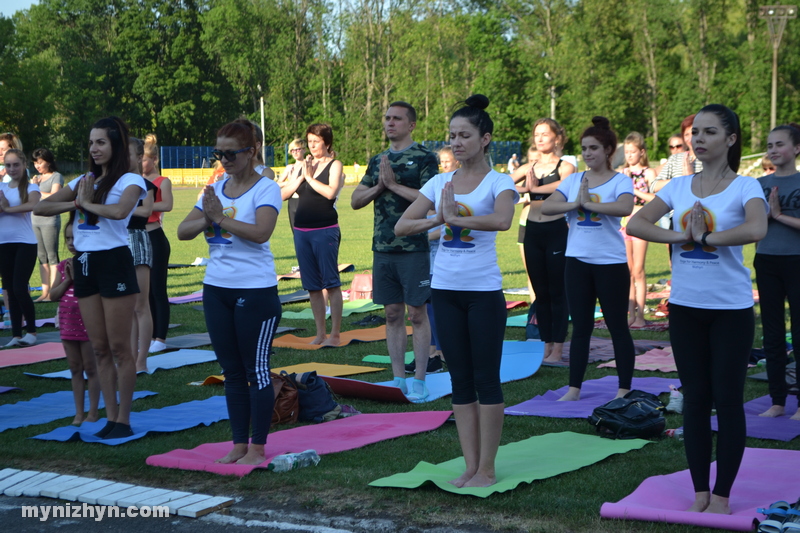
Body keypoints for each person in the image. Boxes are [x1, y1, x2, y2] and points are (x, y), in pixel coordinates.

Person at [627, 105, 767, 514]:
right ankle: (700, 492)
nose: (698, 139)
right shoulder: (678, 188)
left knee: (726, 398)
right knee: (695, 400)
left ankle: (722, 496)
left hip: (730, 311)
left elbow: (757, 229)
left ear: (731, 139)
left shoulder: (746, 188)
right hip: (686, 309)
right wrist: (676, 235)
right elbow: (637, 224)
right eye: (695, 133)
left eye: (709, 132)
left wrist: (707, 238)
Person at [396, 94, 518, 487]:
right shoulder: (439, 181)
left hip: (482, 292)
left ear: (485, 139)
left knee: (486, 379)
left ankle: (488, 467)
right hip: (445, 291)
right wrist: (438, 217)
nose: (456, 142)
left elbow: (502, 221)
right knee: (460, 380)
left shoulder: (500, 181)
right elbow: (402, 226)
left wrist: (452, 217)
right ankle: (469, 464)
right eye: (452, 136)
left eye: (464, 135)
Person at [34, 116, 146, 440]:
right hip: (84, 263)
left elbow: (121, 212)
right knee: (98, 348)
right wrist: (76, 199)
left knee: (119, 347)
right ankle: (110, 419)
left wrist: (85, 202)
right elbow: (42, 209)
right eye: (91, 143)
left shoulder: (129, 180)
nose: (94, 148)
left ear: (115, 145)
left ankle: (123, 420)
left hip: (114, 261)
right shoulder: (84, 179)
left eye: (101, 142)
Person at [177, 120, 282, 465]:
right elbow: (183, 231)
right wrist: (209, 218)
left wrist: (219, 219)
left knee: (257, 371)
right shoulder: (215, 189)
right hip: (216, 290)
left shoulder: (265, 188)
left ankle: (257, 447)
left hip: (255, 292)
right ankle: (238, 443)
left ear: (251, 152)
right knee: (232, 372)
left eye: (230, 153)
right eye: (218, 153)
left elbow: (261, 232)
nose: (223, 159)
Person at [541, 117, 635, 401]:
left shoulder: (621, 180)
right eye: (584, 148)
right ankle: (574, 388)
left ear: (608, 150)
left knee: (617, 325)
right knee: (580, 327)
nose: (587, 153)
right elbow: (547, 206)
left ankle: (624, 387)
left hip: (611, 264)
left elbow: (625, 206)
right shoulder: (573, 181)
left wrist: (589, 204)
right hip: (577, 263)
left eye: (593, 148)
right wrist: (575, 203)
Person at [351, 101, 439, 402]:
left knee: (417, 313)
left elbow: (431, 199)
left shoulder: (426, 157)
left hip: (414, 247)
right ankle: (398, 377)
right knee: (391, 313)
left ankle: (420, 379)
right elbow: (355, 199)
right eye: (387, 118)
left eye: (397, 119)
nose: (390, 123)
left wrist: (392, 185)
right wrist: (379, 187)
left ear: (411, 124)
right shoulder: (378, 159)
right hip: (383, 248)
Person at [514, 118, 576, 364]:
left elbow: (566, 184)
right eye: (536, 134)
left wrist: (533, 189)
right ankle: (546, 345)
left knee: (557, 292)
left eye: (545, 134)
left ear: (556, 138)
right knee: (541, 293)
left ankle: (558, 350)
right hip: (532, 232)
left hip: (556, 230)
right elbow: (503, 183)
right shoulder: (529, 166)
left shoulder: (565, 166)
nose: (539, 138)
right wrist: (525, 190)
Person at [279, 124, 344, 346]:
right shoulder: (303, 166)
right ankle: (320, 333)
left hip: (325, 229)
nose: (312, 146)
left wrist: (310, 177)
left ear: (326, 142)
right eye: (309, 141)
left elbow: (330, 192)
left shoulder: (335, 165)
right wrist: (301, 177)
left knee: (331, 283)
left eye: (316, 141)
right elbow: (284, 194)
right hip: (301, 231)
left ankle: (335, 335)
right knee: (313, 286)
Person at [754, 123, 800, 420]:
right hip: (766, 260)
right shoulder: (758, 184)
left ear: (796, 148)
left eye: (779, 144)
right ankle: (778, 400)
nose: (773, 150)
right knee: (771, 335)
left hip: (796, 260)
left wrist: (779, 215)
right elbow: (748, 222)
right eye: (770, 145)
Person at [49, 215, 100, 426]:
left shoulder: (92, 264)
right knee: (75, 368)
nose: (71, 243)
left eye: (75, 238)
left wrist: (79, 277)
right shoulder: (63, 266)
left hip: (88, 324)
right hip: (68, 324)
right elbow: (53, 295)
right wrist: (69, 279)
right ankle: (79, 412)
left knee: (91, 368)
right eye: (68, 239)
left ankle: (93, 412)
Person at [0, 149, 41, 347]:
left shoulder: (31, 188)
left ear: (24, 165)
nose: (12, 168)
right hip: (3, 244)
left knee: (19, 287)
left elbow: (32, 205)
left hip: (25, 243)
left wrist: (7, 208)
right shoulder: (2, 187)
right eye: (8, 165)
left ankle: (31, 332)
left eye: (16, 164)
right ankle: (16, 335)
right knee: (9, 288)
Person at [620, 132, 656, 328]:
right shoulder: (622, 172)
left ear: (641, 152)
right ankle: (630, 314)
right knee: (628, 271)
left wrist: (632, 189)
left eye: (633, 152)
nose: (629, 156)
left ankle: (641, 314)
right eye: (626, 152)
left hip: (641, 219)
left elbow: (656, 199)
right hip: (624, 222)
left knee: (638, 270)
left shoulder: (648, 173)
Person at [127, 137, 156, 371]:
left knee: (140, 305)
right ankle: (129, 356)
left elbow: (146, 210)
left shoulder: (143, 184)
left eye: (126, 154)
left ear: (138, 157)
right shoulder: (114, 183)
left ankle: (141, 360)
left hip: (136, 240)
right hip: (114, 244)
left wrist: (117, 205)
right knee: (125, 306)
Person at [142, 134, 173, 353]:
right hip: (137, 239)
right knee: (143, 292)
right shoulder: (133, 180)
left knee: (157, 290)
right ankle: (149, 334)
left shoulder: (162, 181)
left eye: (144, 159)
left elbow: (168, 204)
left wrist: (146, 205)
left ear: (154, 160)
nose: (140, 163)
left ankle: (160, 338)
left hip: (155, 238)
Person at [31, 148, 64, 302]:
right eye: (35, 163)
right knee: (41, 256)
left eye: (40, 162)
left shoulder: (57, 177)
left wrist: (36, 189)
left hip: (50, 221)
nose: (37, 166)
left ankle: (53, 292)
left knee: (52, 256)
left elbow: (55, 197)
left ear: (48, 162)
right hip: (34, 220)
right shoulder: (36, 178)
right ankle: (44, 293)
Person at [277, 138, 306, 231]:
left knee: (305, 230)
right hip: (292, 201)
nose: (295, 152)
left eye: (298, 149)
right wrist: (289, 183)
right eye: (293, 150)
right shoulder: (290, 167)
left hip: (303, 200)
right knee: (295, 231)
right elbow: (278, 184)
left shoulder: (308, 165)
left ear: (304, 150)